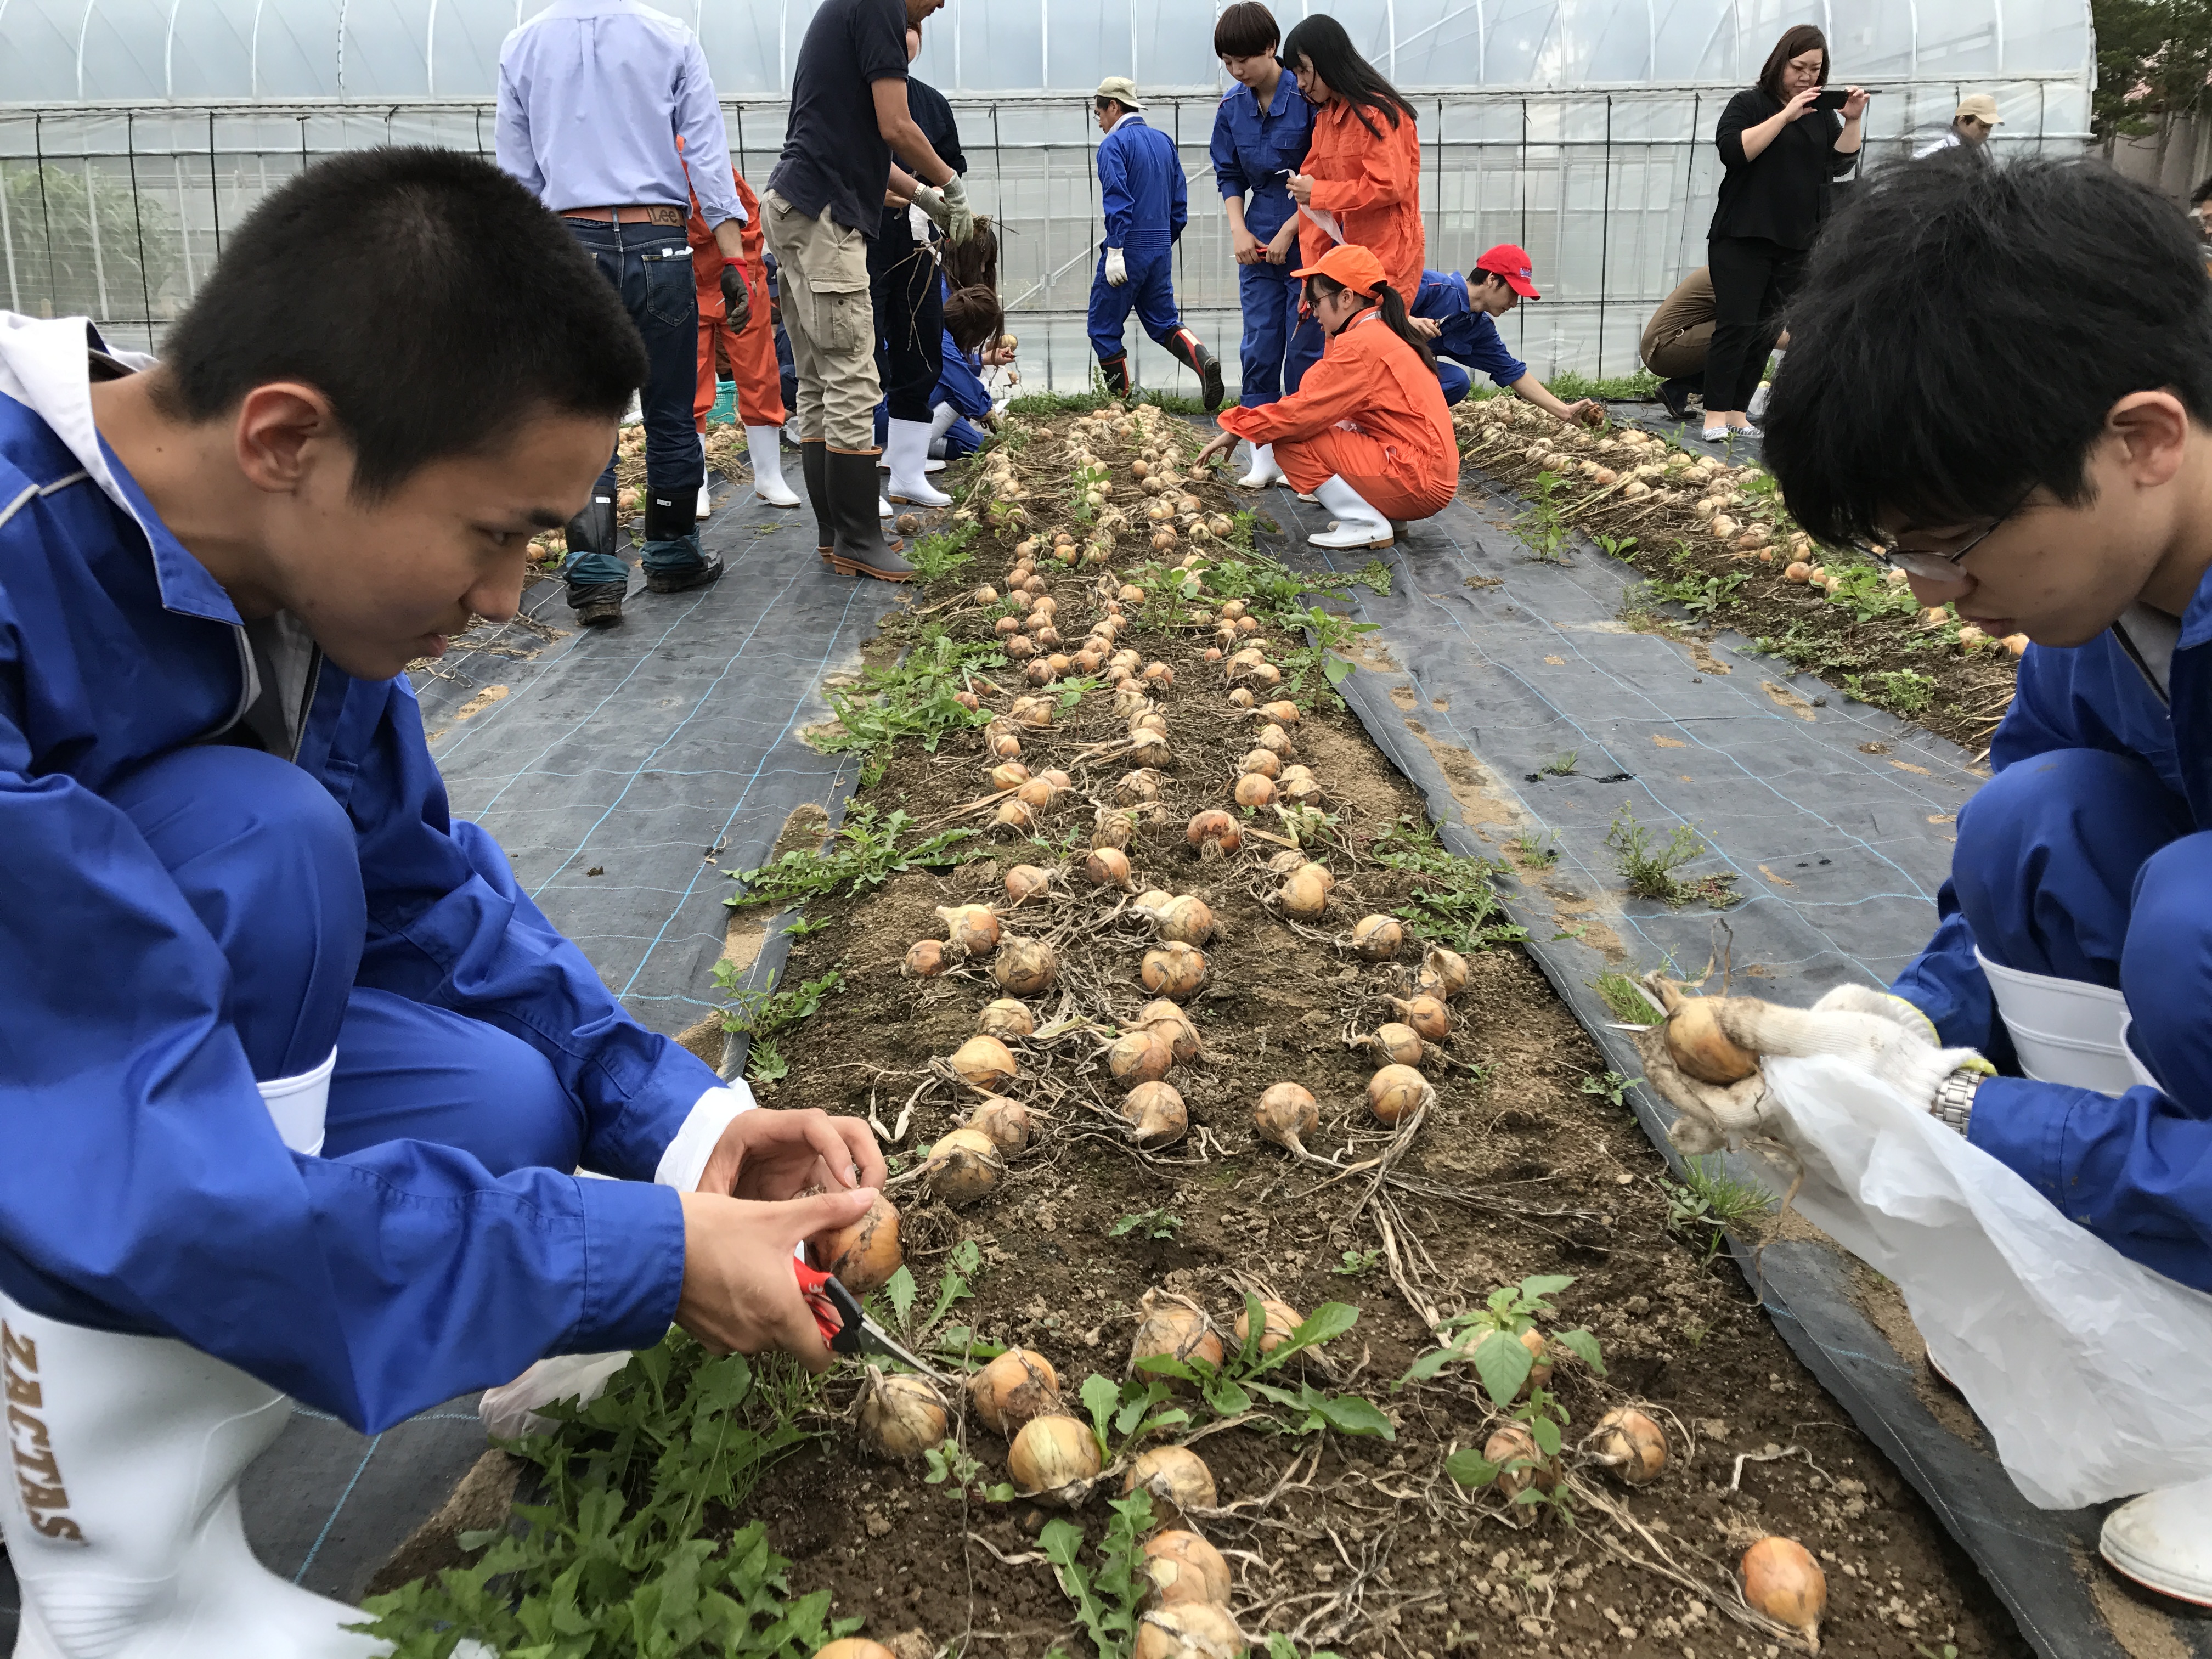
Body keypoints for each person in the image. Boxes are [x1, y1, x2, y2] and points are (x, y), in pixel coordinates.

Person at [0, 149, 885, 1654]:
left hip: (99, 1073)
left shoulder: (283, 561)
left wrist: (682, 1128)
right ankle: (112, 1583)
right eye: (497, 535)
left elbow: (420, 899)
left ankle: (175, 1451)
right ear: (289, 437)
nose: (505, 599)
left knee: (498, 1103)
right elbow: (116, 1127)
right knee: (254, 841)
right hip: (56, 1093)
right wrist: (642, 1258)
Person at [1727, 154, 2212, 1605]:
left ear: (2143, 439)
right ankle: (2155, 1312)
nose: (1938, 596)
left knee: (2195, 924)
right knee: (2034, 824)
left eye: (1951, 546)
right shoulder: (2102, 609)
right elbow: (2017, 857)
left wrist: (1965, 1113)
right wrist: (1902, 1028)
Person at [496, 0, 748, 626]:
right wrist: (733, 255)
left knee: (587, 411)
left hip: (570, 245)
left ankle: (594, 575)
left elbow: (517, 174)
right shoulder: (671, 37)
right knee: (670, 409)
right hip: (658, 241)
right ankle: (672, 554)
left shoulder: (523, 45)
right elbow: (706, 151)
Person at [764, 0, 974, 584]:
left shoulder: (850, 11)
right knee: (854, 378)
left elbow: (858, 144)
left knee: (818, 380)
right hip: (824, 219)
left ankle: (837, 534)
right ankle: (859, 539)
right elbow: (896, 127)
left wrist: (923, 197)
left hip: (795, 205)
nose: (937, 8)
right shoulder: (880, 5)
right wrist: (950, 183)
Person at [1197, 243, 1455, 550]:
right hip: (1427, 474)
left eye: (1316, 301)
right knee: (1329, 426)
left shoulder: (1361, 346)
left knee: (1290, 440)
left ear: (1346, 298)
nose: (1312, 310)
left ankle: (1366, 523)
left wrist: (1239, 428)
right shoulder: (1383, 332)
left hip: (1418, 480)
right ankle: (1388, 516)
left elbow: (1300, 413)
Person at [1700, 24, 1865, 446]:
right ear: (1780, 63)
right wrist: (1786, 115)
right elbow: (1735, 152)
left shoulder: (1822, 115)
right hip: (1743, 236)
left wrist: (1852, 120)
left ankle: (1737, 412)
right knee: (1736, 326)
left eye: (1815, 69)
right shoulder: (1750, 104)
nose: (1807, 76)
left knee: (1765, 330)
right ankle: (1715, 412)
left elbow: (1840, 164)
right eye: (1799, 67)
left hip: (1797, 240)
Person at [1209, 0, 1318, 487]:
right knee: (1259, 343)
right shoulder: (1232, 108)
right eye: (1228, 62)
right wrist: (1238, 228)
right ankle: (1264, 455)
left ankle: (1306, 456)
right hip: (1256, 238)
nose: (1237, 71)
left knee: (1305, 346)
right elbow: (1229, 174)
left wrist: (1292, 229)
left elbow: (1325, 172)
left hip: (1310, 235)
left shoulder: (1309, 97)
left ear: (1271, 47)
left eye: (1244, 60)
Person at [1088, 77, 1225, 410]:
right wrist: (1161, 243)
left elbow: (1118, 200)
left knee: (1103, 326)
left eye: (1099, 114)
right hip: (1160, 248)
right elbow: (1179, 206)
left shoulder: (1114, 145)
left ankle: (1121, 406)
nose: (1100, 122)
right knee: (1164, 322)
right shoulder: (1164, 142)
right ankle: (1204, 361)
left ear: (1113, 107)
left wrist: (1117, 249)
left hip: (1127, 249)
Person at [874, 22, 967, 510]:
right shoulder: (855, 97)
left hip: (919, 245)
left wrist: (937, 204)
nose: (907, 36)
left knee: (921, 347)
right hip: (865, 238)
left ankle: (907, 474)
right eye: (899, 26)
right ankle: (858, 480)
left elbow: (950, 169)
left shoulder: (931, 104)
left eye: (914, 28)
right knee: (863, 356)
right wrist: (911, 195)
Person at [1281, 14, 1422, 303]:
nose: (1301, 83)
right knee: (1347, 332)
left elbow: (1388, 186)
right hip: (1352, 259)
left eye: (1305, 71)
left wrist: (1319, 193)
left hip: (1390, 258)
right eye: (1296, 74)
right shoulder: (1326, 118)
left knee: (1377, 330)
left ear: (1328, 59)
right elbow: (1312, 209)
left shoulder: (1379, 114)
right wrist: (1312, 277)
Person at [686, 162, 800, 509]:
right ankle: (694, 483)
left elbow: (748, 217)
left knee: (759, 372)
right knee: (687, 379)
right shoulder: (658, 158)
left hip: (737, 273)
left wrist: (747, 273)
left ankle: (769, 475)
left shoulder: (708, 160)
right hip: (683, 277)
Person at [1410, 245, 1601, 426]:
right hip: (1391, 364)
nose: (1514, 303)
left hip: (1405, 373)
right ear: (1492, 280)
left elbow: (1510, 370)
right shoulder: (1432, 286)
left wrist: (1566, 412)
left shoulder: (1479, 328)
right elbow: (1389, 301)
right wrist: (1407, 321)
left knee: (1455, 381)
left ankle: (1406, 426)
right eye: (1513, 292)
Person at [1641, 266, 1714, 420]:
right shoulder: (1729, 273)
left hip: (1663, 345)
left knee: (1748, 331)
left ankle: (1679, 388)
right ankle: (1731, 408)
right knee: (1747, 332)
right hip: (1664, 349)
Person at [1914, 92, 2002, 159]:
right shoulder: (1928, 157)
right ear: (1962, 121)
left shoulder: (1981, 156)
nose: (1986, 132)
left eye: (1990, 127)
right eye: (1982, 126)